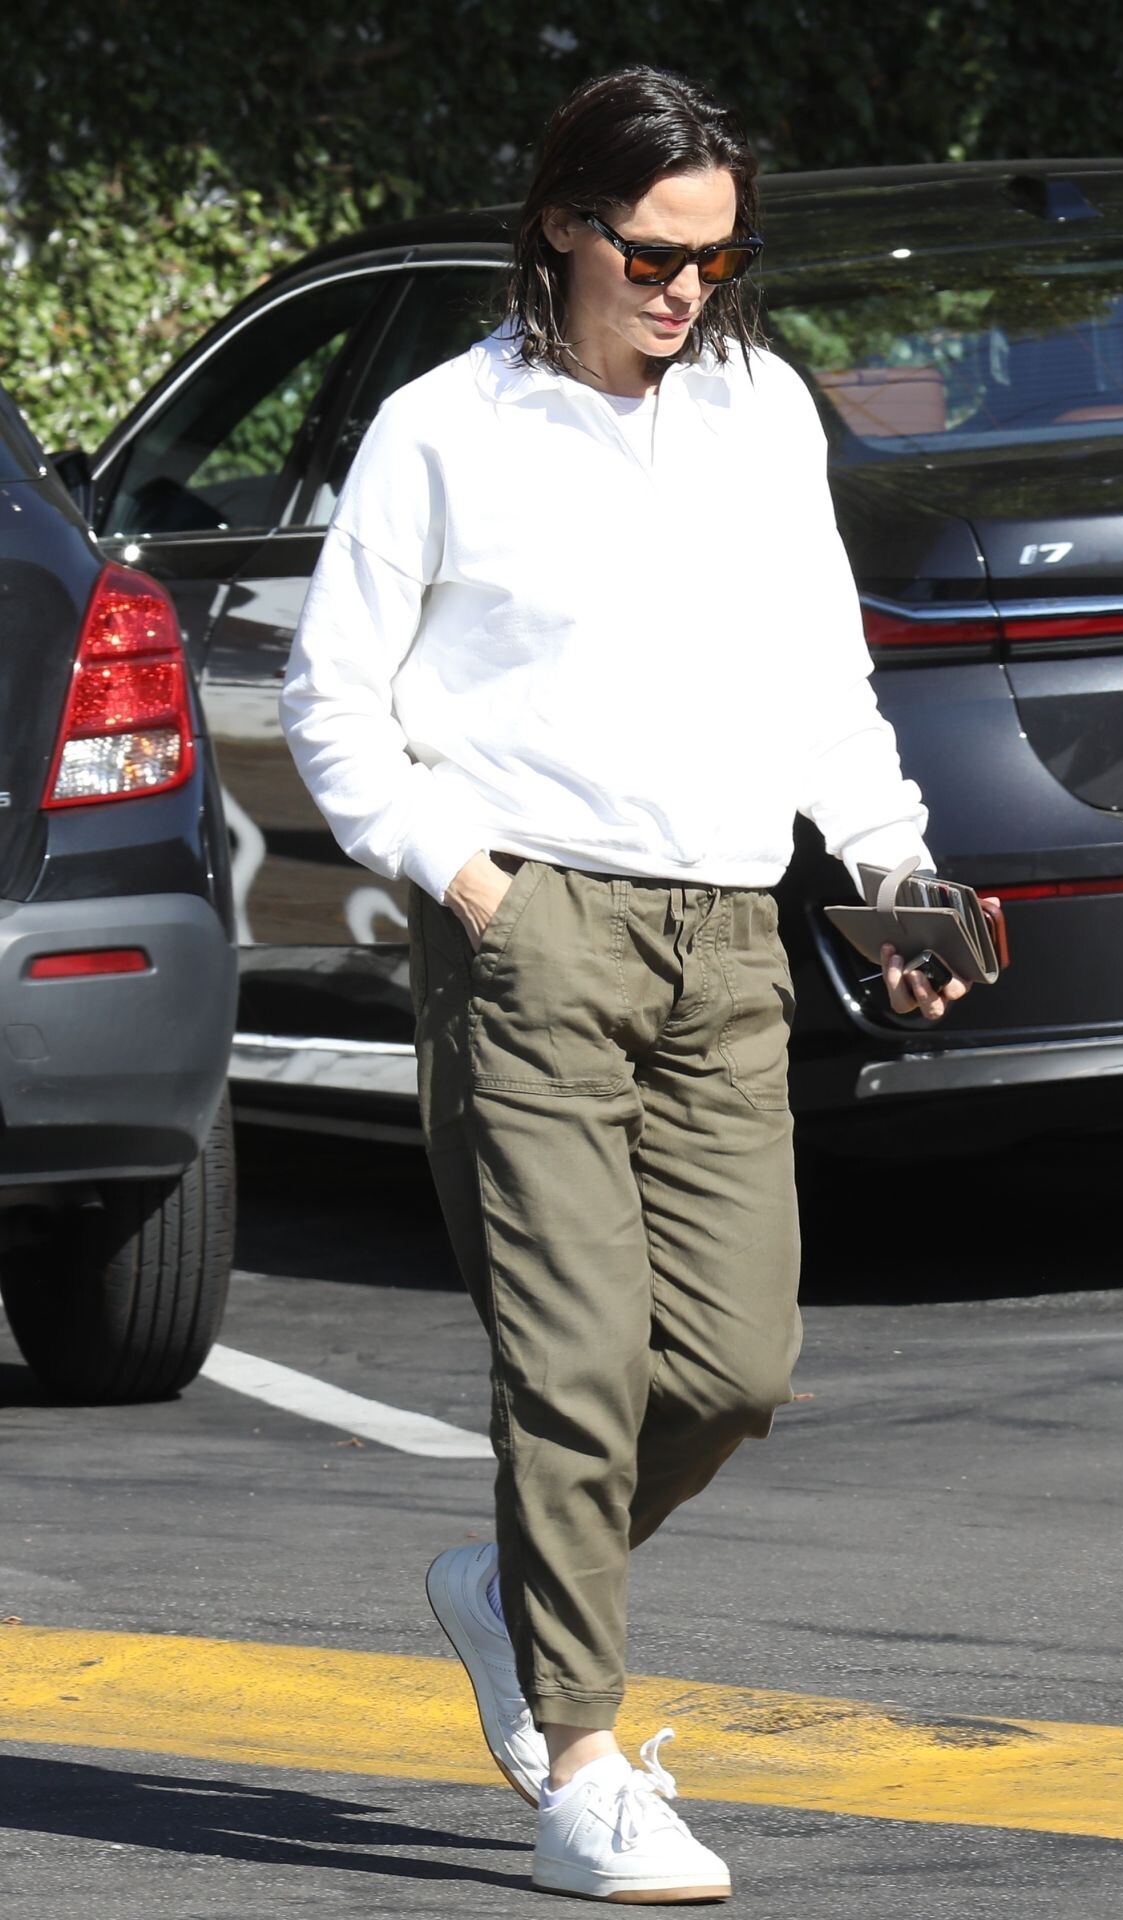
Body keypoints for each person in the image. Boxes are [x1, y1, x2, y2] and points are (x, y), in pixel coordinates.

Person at [280, 64, 974, 1906]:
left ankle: (511, 1589)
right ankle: (581, 1762)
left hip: (729, 934)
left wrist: (891, 869)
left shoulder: (759, 411)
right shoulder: (446, 428)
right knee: (576, 1362)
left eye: (718, 260)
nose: (686, 293)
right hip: (535, 934)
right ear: (562, 228)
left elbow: (823, 680)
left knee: (738, 1368)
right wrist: (465, 878)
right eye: (655, 256)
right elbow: (334, 702)